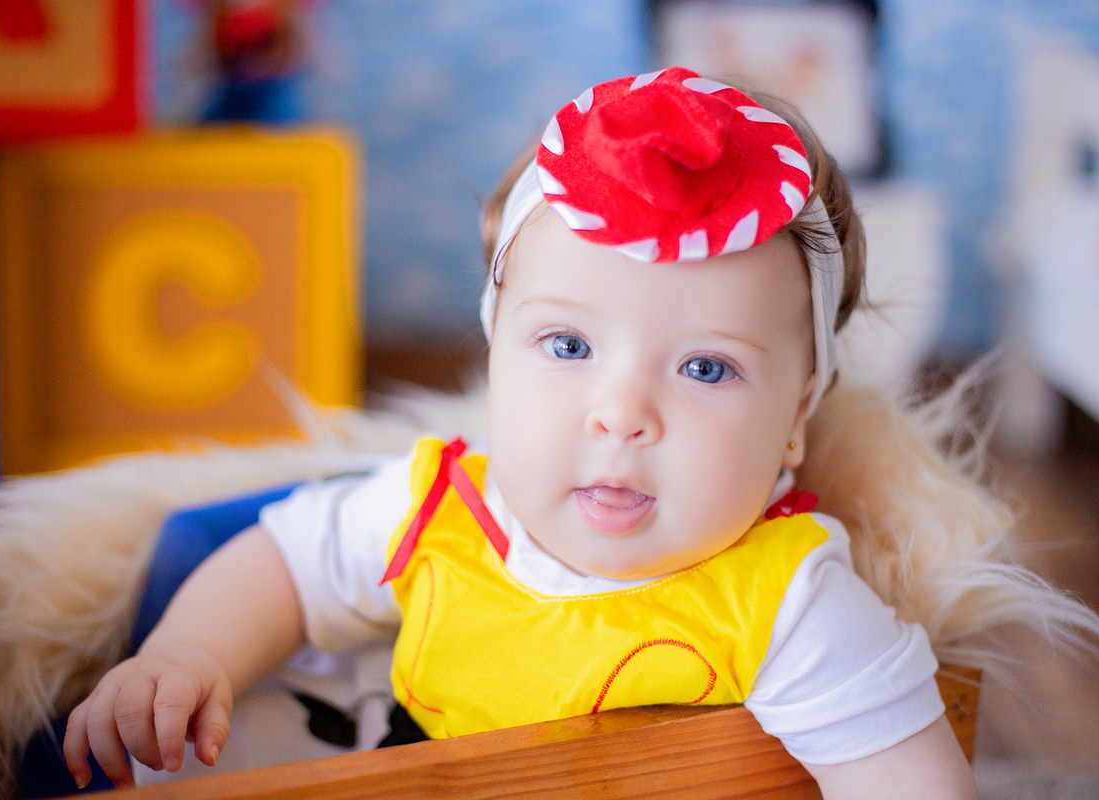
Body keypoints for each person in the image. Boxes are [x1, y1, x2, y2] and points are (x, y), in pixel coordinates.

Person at [63, 67, 979, 797]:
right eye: (568, 344)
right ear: (494, 356)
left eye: (706, 368)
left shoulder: (786, 602)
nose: (620, 415)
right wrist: (190, 655)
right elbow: (287, 563)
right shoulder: (447, 504)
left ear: (796, 420)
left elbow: (908, 776)